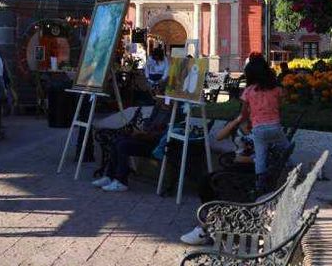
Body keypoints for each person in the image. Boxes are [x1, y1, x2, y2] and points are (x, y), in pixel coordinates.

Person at [180, 112, 255, 245]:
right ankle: (212, 221)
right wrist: (237, 119)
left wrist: (244, 158)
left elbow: (264, 156)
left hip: (249, 170)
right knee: (205, 181)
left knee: (219, 187)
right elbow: (220, 136)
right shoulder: (239, 124)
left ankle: (205, 228)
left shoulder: (262, 125)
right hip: (235, 166)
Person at [241, 54, 289, 193]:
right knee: (286, 149)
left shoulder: (248, 91)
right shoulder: (276, 89)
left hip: (258, 129)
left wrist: (248, 122)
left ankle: (260, 185)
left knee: (260, 157)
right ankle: (291, 172)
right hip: (275, 126)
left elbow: (244, 113)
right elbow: (281, 103)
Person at [96, 103, 171, 192]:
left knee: (123, 145)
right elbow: (148, 124)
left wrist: (144, 134)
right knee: (117, 140)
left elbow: (161, 134)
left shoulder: (172, 113)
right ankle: (109, 176)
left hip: (156, 146)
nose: (156, 95)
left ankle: (121, 181)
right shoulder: (158, 107)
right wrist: (142, 131)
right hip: (146, 138)